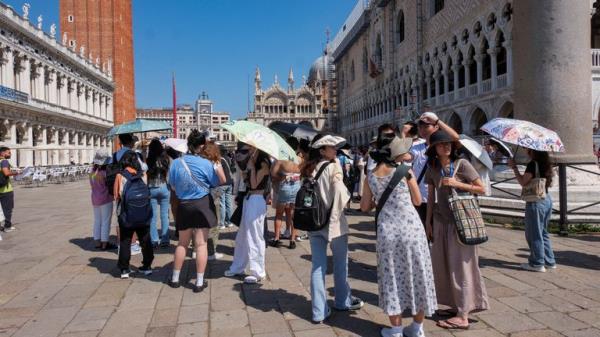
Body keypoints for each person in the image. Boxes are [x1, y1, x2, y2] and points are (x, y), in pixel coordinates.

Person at [361, 136, 437, 337]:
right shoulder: (405, 171)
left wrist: (381, 201)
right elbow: (418, 200)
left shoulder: (370, 176)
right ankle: (417, 328)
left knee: (392, 276)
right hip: (411, 230)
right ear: (395, 153)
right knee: (418, 274)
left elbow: (364, 207)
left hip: (388, 233)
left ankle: (395, 330)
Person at [424, 130, 489, 330]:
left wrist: (457, 183)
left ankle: (463, 314)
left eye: (449, 144)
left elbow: (482, 188)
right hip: (441, 222)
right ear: (434, 148)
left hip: (461, 223)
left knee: (462, 267)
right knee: (443, 265)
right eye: (442, 144)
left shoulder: (463, 165)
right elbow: (431, 197)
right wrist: (428, 223)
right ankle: (454, 305)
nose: (446, 146)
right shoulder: (433, 167)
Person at [302, 134, 364, 324]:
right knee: (340, 264)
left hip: (314, 222)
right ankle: (341, 301)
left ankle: (318, 311)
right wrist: (342, 207)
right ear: (322, 150)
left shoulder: (309, 168)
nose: (335, 149)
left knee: (317, 267)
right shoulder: (333, 166)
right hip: (333, 223)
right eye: (331, 147)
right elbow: (339, 192)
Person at [167, 130, 225, 292]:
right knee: (201, 244)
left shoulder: (177, 163)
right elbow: (215, 183)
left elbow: (172, 185)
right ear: (201, 146)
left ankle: (175, 278)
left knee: (182, 243)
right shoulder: (206, 163)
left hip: (184, 205)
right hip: (202, 204)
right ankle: (199, 281)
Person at [225, 146, 271, 284]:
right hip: (249, 199)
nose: (248, 150)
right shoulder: (253, 161)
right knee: (243, 235)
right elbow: (247, 183)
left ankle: (258, 271)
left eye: (250, 148)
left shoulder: (263, 164)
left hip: (257, 200)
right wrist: (246, 170)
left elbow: (255, 184)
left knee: (255, 236)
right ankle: (238, 266)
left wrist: (250, 168)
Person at [408, 112, 460, 227]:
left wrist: (437, 121)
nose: (422, 129)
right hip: (421, 197)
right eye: (420, 127)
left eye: (426, 126)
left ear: (436, 127)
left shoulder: (444, 146)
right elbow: (407, 157)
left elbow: (455, 137)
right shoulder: (416, 146)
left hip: (441, 196)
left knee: (440, 233)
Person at [510, 150, 556, 272]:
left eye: (528, 149)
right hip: (547, 198)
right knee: (543, 232)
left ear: (533, 151)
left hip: (536, 201)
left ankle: (537, 263)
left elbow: (523, 182)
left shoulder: (532, 164)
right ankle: (549, 261)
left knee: (534, 233)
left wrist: (514, 168)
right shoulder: (547, 164)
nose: (526, 151)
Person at [113, 151, 154, 279]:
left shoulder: (120, 176)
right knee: (145, 239)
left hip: (126, 213)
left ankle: (125, 269)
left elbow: (116, 195)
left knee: (125, 240)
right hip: (143, 212)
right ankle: (147, 266)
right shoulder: (143, 175)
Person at [270, 138, 302, 249]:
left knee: (279, 214)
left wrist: (282, 176)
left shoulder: (281, 160)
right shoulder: (300, 159)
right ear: (297, 147)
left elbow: (273, 174)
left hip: (285, 186)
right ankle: (292, 240)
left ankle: (277, 238)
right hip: (297, 186)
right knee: (293, 215)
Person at [201, 142, 226, 261]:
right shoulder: (215, 162)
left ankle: (197, 250)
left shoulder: (199, 161)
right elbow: (223, 179)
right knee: (213, 222)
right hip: (212, 193)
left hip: (199, 193)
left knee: (199, 223)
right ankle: (211, 252)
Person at [146, 139, 171, 249]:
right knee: (165, 215)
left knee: (153, 216)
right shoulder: (165, 159)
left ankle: (154, 240)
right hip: (164, 187)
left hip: (152, 188)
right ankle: (165, 240)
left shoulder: (148, 160)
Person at [89, 150, 115, 250]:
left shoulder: (92, 172)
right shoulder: (105, 173)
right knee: (106, 221)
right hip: (105, 199)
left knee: (97, 221)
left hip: (95, 199)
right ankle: (105, 243)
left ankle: (97, 242)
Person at [0, 147, 17, 232]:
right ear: (2, 153)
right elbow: (6, 173)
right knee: (7, 209)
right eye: (8, 153)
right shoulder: (4, 161)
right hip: (5, 190)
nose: (10, 154)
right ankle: (7, 226)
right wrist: (16, 173)